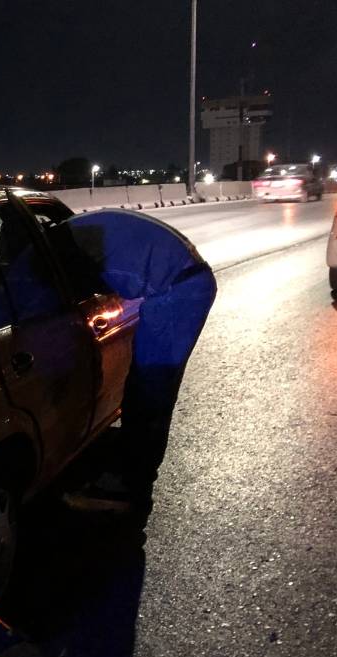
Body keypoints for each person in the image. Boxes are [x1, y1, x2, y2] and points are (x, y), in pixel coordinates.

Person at [52, 209, 217, 513]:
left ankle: (130, 489)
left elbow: (70, 297)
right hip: (183, 282)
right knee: (146, 391)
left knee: (149, 394)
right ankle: (133, 478)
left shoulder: (62, 251)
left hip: (177, 292)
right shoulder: (74, 231)